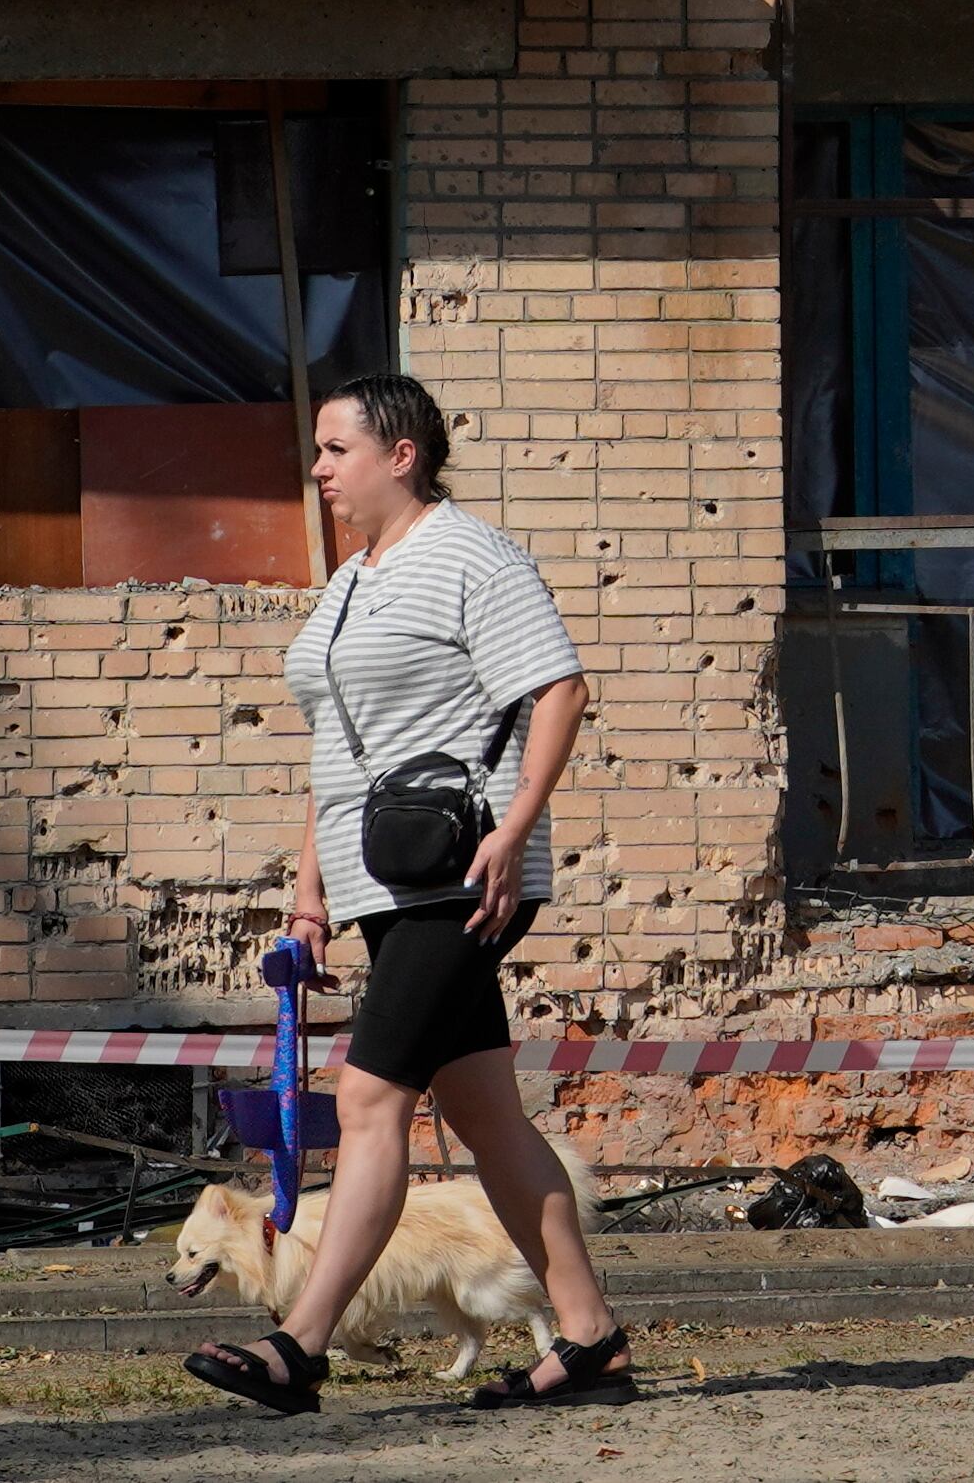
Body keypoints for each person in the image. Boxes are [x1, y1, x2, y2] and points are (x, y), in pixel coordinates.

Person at [184, 377, 631, 1416]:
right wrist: (309, 892)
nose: (318, 469)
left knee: (372, 1098)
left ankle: (301, 1344)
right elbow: (337, 753)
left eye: (336, 448)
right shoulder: (350, 582)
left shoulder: (472, 554)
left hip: (462, 877)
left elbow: (557, 688)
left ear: (402, 454)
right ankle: (591, 1335)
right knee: (489, 1121)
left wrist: (514, 833)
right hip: (378, 877)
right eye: (318, 451)